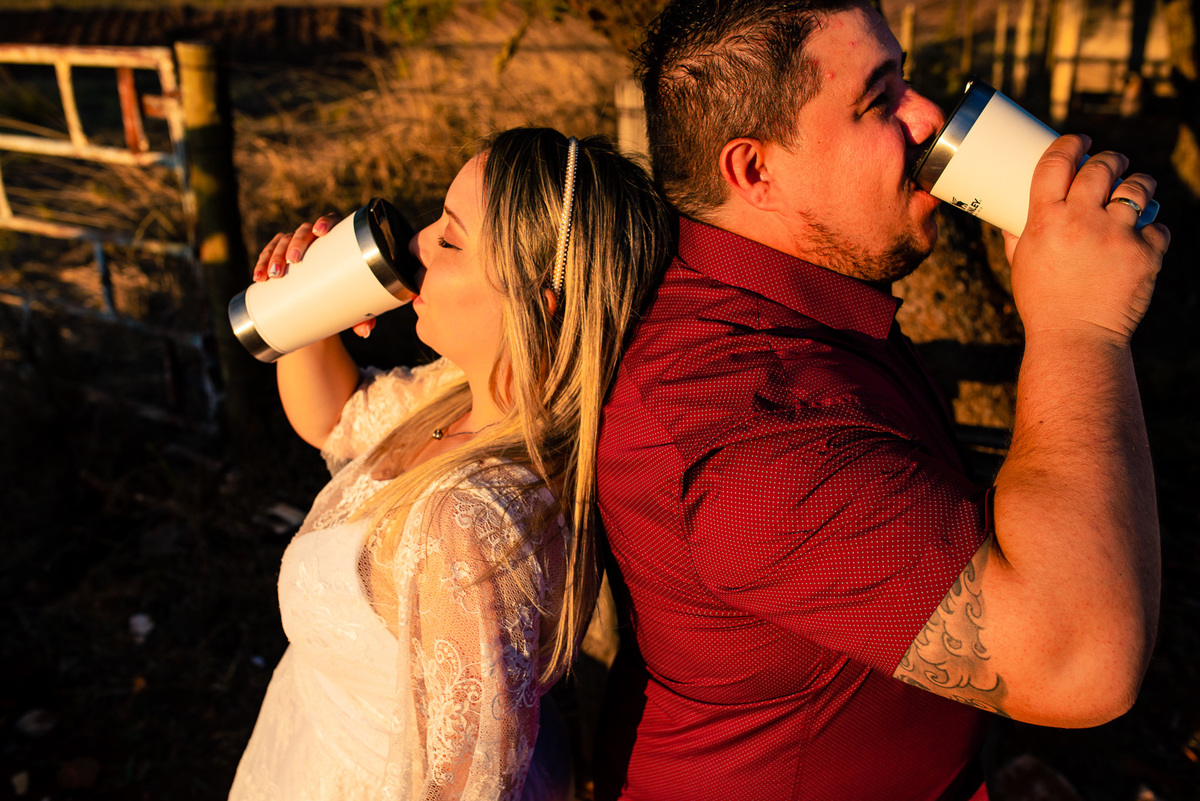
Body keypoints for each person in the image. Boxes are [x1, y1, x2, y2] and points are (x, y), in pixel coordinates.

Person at [593, 2, 1170, 800]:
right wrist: (1079, 326)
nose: (928, 115)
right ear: (755, 171)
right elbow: (1082, 664)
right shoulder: (751, 431)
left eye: (905, 79)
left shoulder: (780, 306)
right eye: (878, 99)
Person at [227, 128, 673, 801]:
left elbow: (467, 786)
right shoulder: (460, 394)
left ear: (537, 303)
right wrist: (305, 304)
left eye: (450, 239)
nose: (412, 244)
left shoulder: (473, 523)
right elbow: (335, 418)